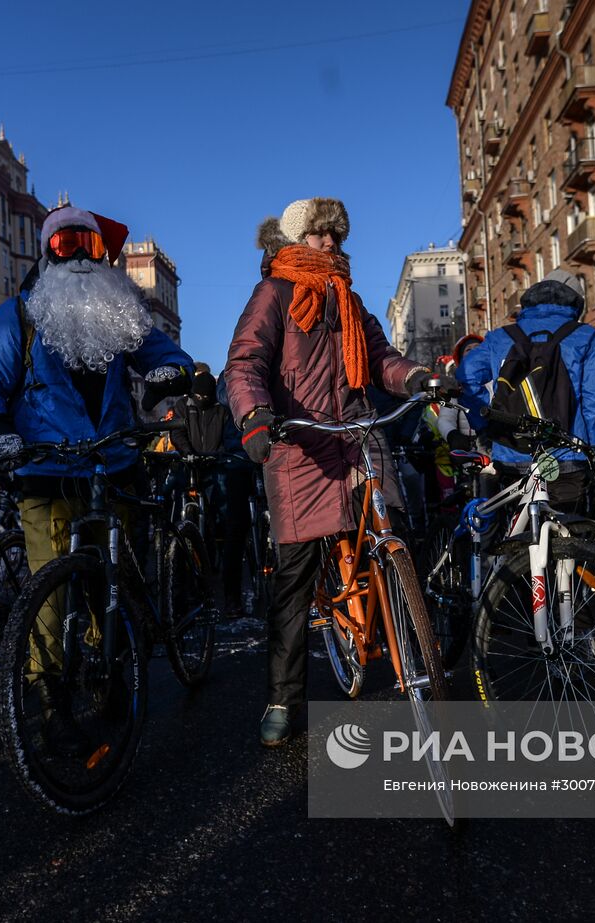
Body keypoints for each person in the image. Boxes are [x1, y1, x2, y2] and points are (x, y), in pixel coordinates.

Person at [0, 202, 192, 752]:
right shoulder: (17, 315)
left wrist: (167, 373)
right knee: (51, 597)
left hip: (113, 467)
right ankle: (51, 700)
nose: (80, 257)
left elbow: (168, 355)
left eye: (88, 245)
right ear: (47, 252)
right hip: (46, 471)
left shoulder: (120, 310)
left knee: (111, 583)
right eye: (66, 245)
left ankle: (114, 670)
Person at [224, 197, 444, 746]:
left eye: (337, 236)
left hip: (357, 436)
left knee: (395, 537)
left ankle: (412, 640)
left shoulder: (350, 299)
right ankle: (283, 696)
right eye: (321, 235)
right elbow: (245, 362)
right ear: (298, 240)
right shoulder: (272, 293)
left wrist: (417, 377)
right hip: (299, 447)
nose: (332, 245)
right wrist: (254, 415)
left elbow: (380, 357)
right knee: (295, 583)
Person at [457, 270, 595, 509]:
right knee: (568, 529)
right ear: (575, 305)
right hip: (567, 456)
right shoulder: (584, 336)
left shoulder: (501, 337)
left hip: (510, 453)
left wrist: (486, 426)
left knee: (512, 529)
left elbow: (466, 377)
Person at [168, 364, 254, 615]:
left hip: (218, 469)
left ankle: (227, 594)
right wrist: (189, 454)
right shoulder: (184, 407)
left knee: (228, 527)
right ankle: (187, 590)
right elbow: (178, 433)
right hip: (192, 471)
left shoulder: (222, 410)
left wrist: (224, 456)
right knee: (182, 522)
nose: (203, 400)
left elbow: (229, 439)